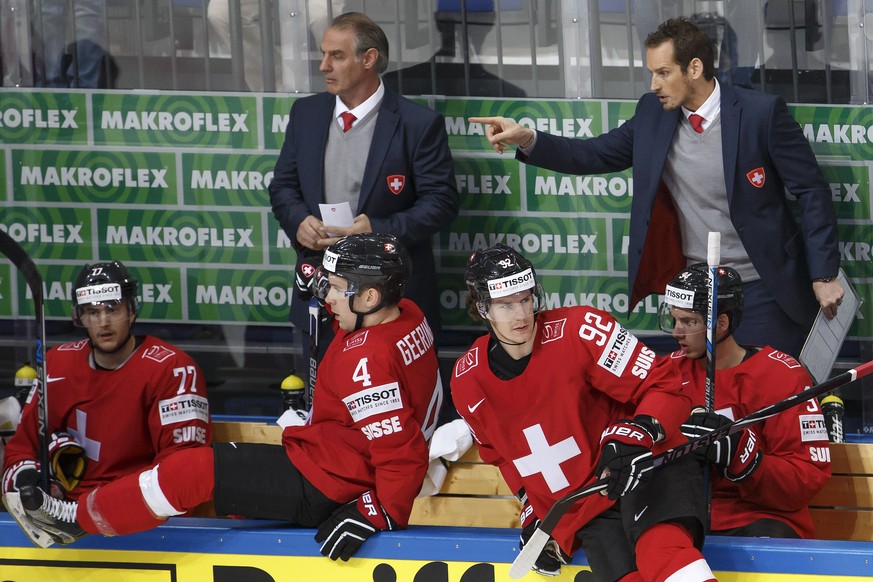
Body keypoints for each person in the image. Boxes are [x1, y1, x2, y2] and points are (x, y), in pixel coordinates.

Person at [4, 234, 444, 562]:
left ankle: (72, 520)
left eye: (334, 287)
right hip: (335, 459)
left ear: (369, 295)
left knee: (189, 471)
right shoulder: (407, 315)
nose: (325, 295)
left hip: (328, 484)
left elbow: (397, 446)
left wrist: (382, 510)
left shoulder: (364, 359)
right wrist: (325, 287)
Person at [469, 16, 845, 359]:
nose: (653, 85)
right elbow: (594, 154)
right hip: (699, 291)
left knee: (771, 395)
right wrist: (529, 139)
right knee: (710, 402)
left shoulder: (761, 114)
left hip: (765, 286)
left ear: (694, 67)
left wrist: (824, 274)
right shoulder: (652, 113)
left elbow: (812, 191)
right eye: (652, 73)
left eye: (663, 72)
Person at [452, 244, 716, 581]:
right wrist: (535, 511)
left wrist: (639, 433)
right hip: (586, 503)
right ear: (482, 308)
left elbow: (666, 384)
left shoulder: (580, 328)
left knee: (663, 553)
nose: (520, 314)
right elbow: (500, 455)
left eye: (525, 298)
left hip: (647, 466)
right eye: (506, 305)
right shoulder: (466, 380)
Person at [268, 12, 459, 387]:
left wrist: (379, 231)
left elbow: (442, 202)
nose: (324, 66)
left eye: (336, 56)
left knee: (401, 405)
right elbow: (283, 186)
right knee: (326, 406)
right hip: (321, 292)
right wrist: (299, 222)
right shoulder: (306, 114)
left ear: (368, 59)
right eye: (323, 55)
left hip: (394, 301)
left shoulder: (417, 123)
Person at [2, 261, 211, 546]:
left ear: (131, 310)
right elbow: (20, 449)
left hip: (141, 525)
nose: (103, 322)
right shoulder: (57, 364)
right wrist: (30, 480)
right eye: (93, 312)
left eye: (112, 309)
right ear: (81, 318)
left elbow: (181, 471)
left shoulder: (173, 369)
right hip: (61, 522)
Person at [659, 263, 831, 538]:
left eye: (689, 322)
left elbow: (808, 477)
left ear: (722, 323)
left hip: (759, 517)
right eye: (673, 320)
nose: (677, 333)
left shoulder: (781, 375)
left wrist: (748, 460)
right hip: (684, 515)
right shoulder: (666, 372)